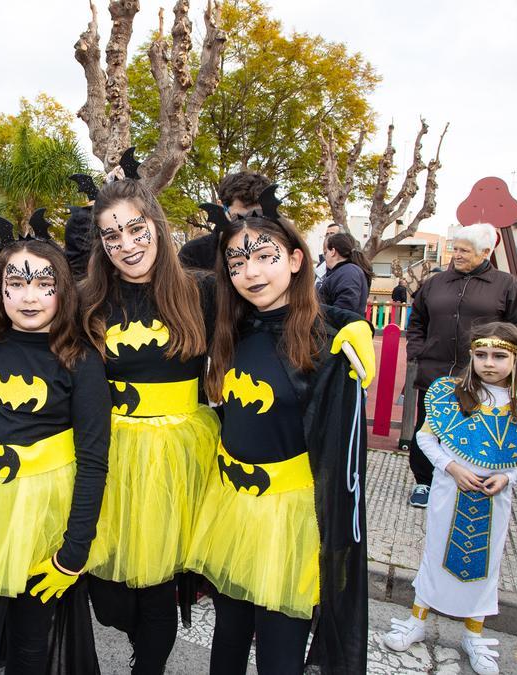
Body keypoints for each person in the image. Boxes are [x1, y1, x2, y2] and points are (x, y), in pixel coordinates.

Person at [187, 213, 371, 673]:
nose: (251, 273)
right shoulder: (231, 328)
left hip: (290, 519)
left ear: (294, 259)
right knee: (227, 637)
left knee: (279, 651)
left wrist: (356, 324)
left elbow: (344, 456)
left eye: (265, 257)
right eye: (236, 263)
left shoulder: (329, 342)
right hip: (230, 505)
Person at [0, 239, 110, 673]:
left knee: (32, 651)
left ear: (63, 291)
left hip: (44, 525)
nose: (29, 297)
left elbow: (93, 460)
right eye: (16, 283)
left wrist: (74, 551)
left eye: (44, 284)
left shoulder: (80, 361)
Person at [79, 177, 221, 673]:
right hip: (109, 454)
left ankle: (149, 666)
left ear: (156, 227)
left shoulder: (201, 289)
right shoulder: (88, 298)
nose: (126, 244)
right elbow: (18, 318)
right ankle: (138, 636)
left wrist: (344, 320)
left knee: (160, 588)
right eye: (112, 236)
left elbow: (275, 310)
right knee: (108, 597)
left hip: (178, 454)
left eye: (136, 229)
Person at [383, 322, 517, 675]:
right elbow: (426, 439)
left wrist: (508, 476)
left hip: (495, 500)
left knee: (487, 563)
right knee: (435, 553)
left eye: (498, 356)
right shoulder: (448, 394)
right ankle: (417, 619)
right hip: (449, 491)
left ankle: (474, 633)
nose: (488, 363)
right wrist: (451, 468)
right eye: (481, 355)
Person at [403, 223, 517, 508]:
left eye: (465, 251)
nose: (456, 255)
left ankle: (476, 477)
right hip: (435, 371)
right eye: (456, 248)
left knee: (476, 428)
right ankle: (423, 482)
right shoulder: (436, 283)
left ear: (486, 252)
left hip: (482, 376)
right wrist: (417, 351)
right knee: (428, 427)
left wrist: (506, 361)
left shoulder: (506, 284)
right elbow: (416, 321)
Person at [178, 171, 270, 271]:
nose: (248, 224)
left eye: (257, 216)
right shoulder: (193, 253)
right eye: (239, 217)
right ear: (221, 206)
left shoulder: (281, 246)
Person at [318, 232, 373, 318]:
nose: (325, 257)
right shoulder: (345, 272)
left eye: (326, 253)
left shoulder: (348, 273)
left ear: (333, 251)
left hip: (339, 330)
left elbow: (344, 310)